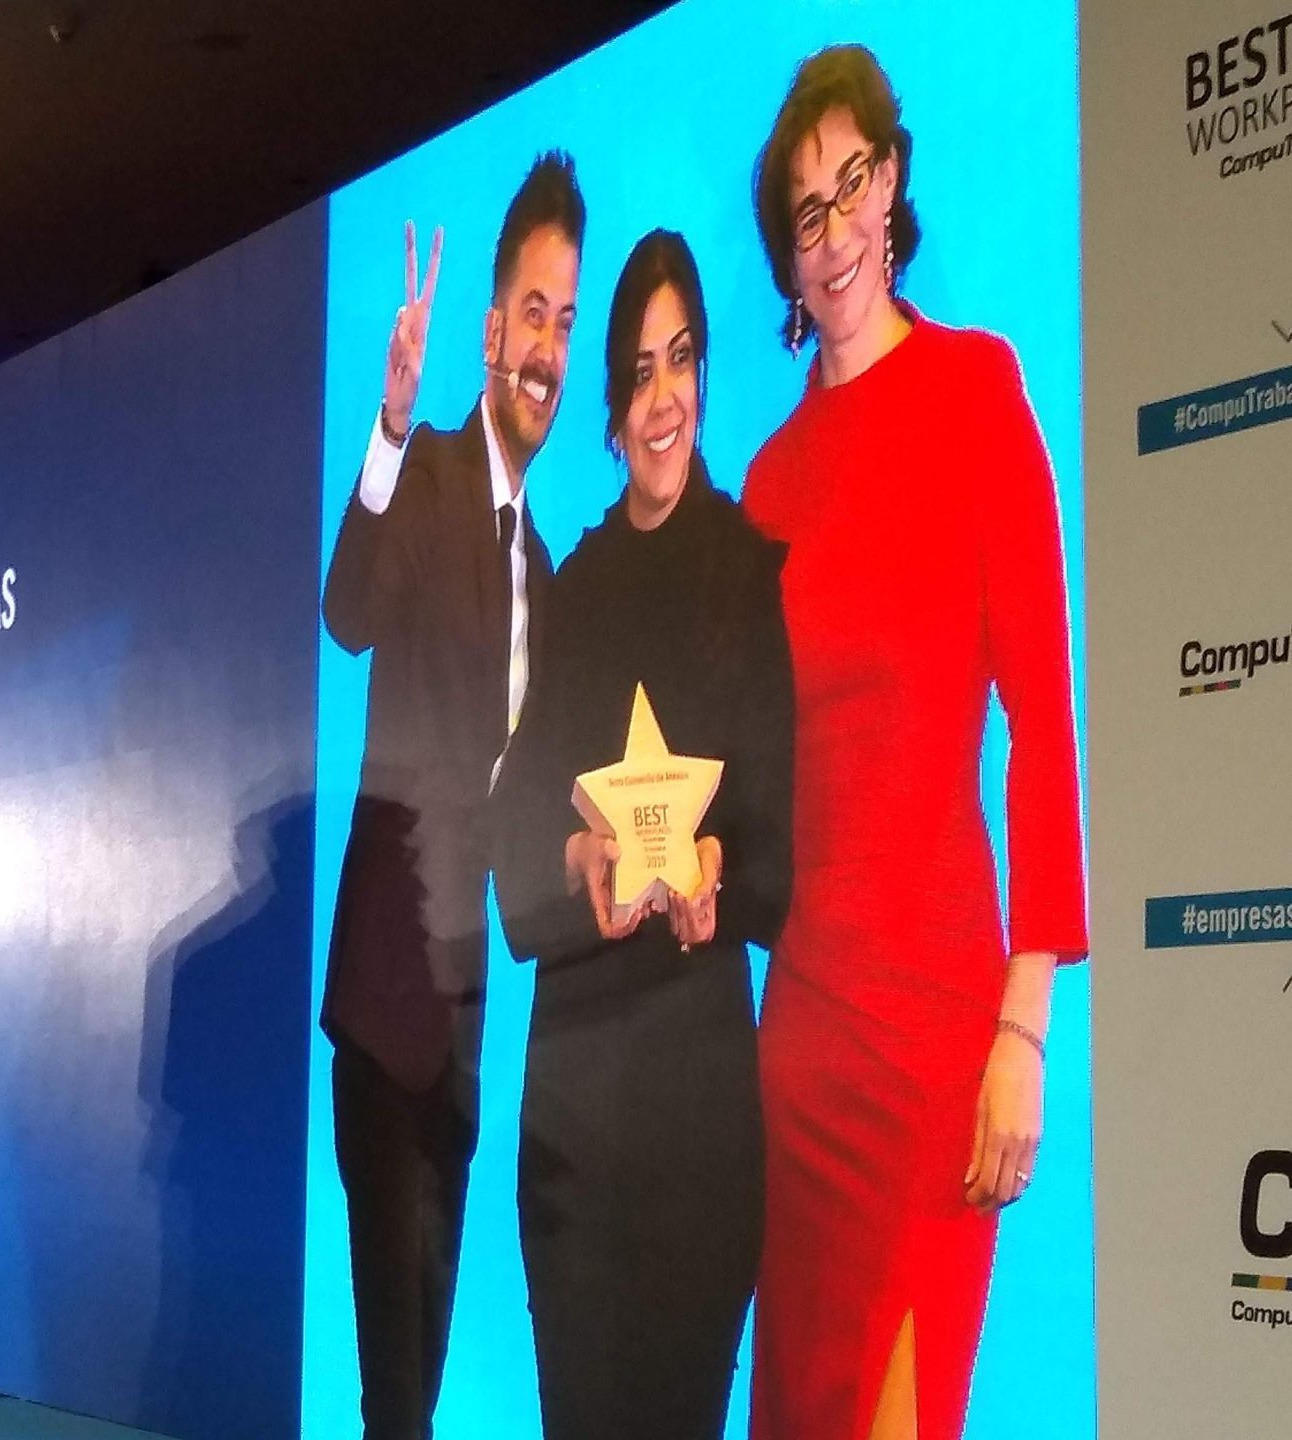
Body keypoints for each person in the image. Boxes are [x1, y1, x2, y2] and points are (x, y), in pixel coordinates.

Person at [740, 46, 1087, 1440]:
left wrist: (1024, 1029)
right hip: (802, 1037)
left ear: (893, 183)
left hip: (940, 1030)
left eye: (851, 186)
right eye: (803, 212)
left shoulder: (976, 390)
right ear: (784, 252)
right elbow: (753, 781)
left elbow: (1045, 719)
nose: (831, 233)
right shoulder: (768, 484)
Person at [490, 229, 793, 1439]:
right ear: (611, 407)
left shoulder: (748, 572)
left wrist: (719, 869)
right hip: (574, 1130)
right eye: (638, 371)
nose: (663, 397)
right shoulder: (573, 589)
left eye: (682, 360)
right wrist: (576, 862)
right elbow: (514, 830)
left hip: (698, 1129)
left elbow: (777, 843)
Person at [319, 150, 583, 1439]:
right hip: (385, 1000)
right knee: (392, 1382)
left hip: (467, 1014)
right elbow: (348, 614)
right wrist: (384, 424)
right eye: (532, 313)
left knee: (422, 1362)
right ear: (489, 332)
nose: (547, 351)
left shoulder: (544, 567)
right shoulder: (422, 472)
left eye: (566, 324)